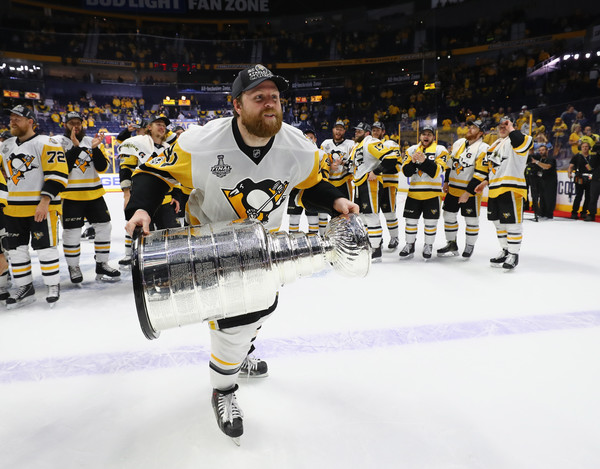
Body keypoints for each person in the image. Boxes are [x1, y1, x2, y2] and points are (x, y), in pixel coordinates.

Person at [123, 64, 358, 442]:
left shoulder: (297, 145)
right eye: (259, 96)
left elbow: (310, 185)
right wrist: (141, 208)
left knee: (262, 308)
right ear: (237, 105)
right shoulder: (200, 143)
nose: (270, 104)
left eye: (275, 97)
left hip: (266, 249)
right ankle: (224, 388)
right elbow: (153, 174)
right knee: (234, 322)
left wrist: (337, 200)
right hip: (210, 247)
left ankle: (241, 350)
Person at [0, 105, 69, 307]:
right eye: (11, 118)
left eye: (17, 118)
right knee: (16, 250)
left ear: (31, 122)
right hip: (13, 209)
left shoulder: (47, 142)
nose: (12, 121)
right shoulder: (6, 145)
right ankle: (25, 288)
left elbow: (58, 174)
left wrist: (45, 201)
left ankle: (52, 285)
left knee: (46, 248)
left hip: (41, 207)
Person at [57, 111, 121, 283]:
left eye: (78, 123)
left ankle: (102, 263)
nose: (75, 126)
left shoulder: (91, 141)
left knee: (104, 227)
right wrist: (75, 147)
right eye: (71, 123)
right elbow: (63, 168)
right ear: (65, 125)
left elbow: (101, 167)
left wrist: (94, 149)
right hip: (70, 196)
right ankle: (73, 266)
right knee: (72, 233)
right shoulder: (58, 142)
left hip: (94, 194)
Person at [466, 116, 533, 270]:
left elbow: (519, 143)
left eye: (506, 125)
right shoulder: (495, 144)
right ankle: (505, 250)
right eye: (500, 126)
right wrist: (486, 182)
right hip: (495, 189)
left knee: (512, 224)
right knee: (498, 223)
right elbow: (495, 168)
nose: (502, 128)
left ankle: (514, 255)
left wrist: (511, 129)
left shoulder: (520, 139)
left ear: (513, 126)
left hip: (511, 188)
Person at [118, 115, 180, 266]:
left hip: (165, 201)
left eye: (164, 125)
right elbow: (126, 169)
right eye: (158, 124)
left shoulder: (168, 149)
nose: (162, 127)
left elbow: (175, 174)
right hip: (142, 202)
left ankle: (171, 269)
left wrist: (176, 195)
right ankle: (149, 272)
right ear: (149, 127)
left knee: (172, 237)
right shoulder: (138, 143)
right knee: (145, 241)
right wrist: (127, 194)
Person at [439, 120, 488, 258]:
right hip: (453, 189)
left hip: (471, 192)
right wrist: (447, 181)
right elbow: (450, 164)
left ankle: (469, 245)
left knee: (471, 220)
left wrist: (468, 192)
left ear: (480, 133)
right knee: (448, 216)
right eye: (470, 127)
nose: (470, 129)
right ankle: (451, 243)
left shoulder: (483, 148)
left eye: (474, 128)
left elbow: (481, 174)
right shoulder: (458, 143)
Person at [350, 122, 398, 261]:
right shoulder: (357, 145)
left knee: (371, 215)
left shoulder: (370, 142)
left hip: (370, 183)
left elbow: (390, 158)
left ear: (367, 133)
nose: (356, 133)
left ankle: (376, 248)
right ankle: (369, 243)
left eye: (359, 131)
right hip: (360, 183)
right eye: (356, 131)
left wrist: (376, 171)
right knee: (363, 217)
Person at [399, 125, 449, 260]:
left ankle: (428, 245)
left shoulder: (440, 150)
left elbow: (436, 172)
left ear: (433, 136)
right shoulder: (411, 150)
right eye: (423, 134)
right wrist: (414, 161)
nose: (426, 136)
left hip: (432, 195)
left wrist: (423, 161)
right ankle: (409, 244)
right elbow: (406, 172)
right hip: (414, 193)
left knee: (430, 223)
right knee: (410, 222)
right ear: (420, 136)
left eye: (429, 134)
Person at [319, 120, 355, 235]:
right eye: (336, 128)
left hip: (344, 182)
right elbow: (320, 161)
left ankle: (345, 236)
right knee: (324, 211)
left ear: (344, 131)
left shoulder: (350, 144)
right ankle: (324, 237)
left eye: (341, 129)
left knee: (345, 211)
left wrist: (342, 164)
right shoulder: (325, 144)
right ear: (333, 129)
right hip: (328, 183)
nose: (338, 131)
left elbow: (354, 164)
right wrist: (330, 166)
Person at [370, 121, 401, 250]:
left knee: (389, 213)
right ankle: (379, 238)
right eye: (373, 130)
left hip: (388, 184)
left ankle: (394, 237)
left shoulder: (391, 144)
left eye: (378, 130)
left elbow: (396, 166)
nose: (375, 132)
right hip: (373, 185)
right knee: (374, 215)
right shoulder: (370, 144)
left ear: (383, 131)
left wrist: (378, 170)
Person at [528, 144, 557, 220]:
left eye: (543, 150)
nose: (541, 152)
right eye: (540, 150)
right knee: (542, 197)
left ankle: (549, 213)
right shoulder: (539, 159)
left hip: (550, 181)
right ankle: (541, 212)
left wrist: (537, 162)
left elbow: (547, 167)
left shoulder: (551, 159)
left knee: (549, 197)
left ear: (547, 151)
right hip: (541, 181)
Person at [568, 142, 593, 220]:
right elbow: (571, 166)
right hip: (580, 177)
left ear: (589, 148)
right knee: (579, 195)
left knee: (588, 196)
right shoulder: (577, 156)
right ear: (581, 148)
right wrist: (569, 173)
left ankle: (584, 212)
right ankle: (574, 212)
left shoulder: (592, 157)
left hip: (590, 177)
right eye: (583, 146)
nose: (585, 148)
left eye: (586, 146)